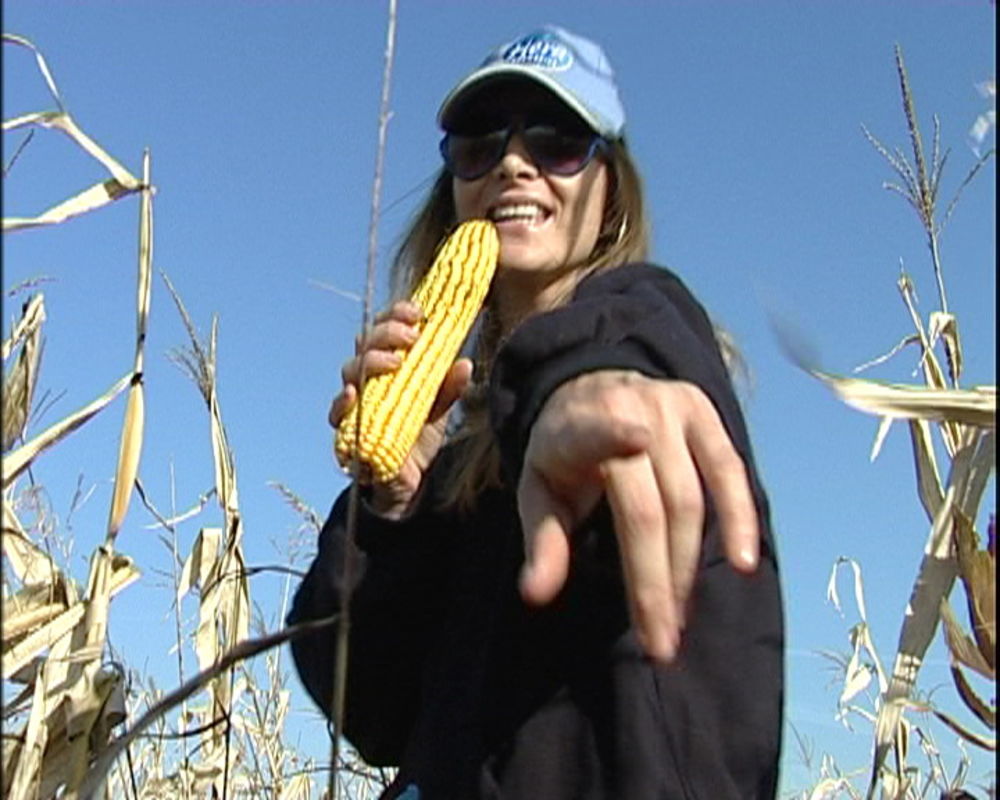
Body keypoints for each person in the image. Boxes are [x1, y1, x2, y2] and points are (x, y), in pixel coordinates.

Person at [289, 24, 784, 800]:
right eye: (479, 143)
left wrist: (584, 385)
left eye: (557, 141)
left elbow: (621, 346)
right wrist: (392, 506)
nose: (513, 164)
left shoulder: (649, 340)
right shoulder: (459, 452)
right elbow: (373, 716)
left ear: (609, 189)